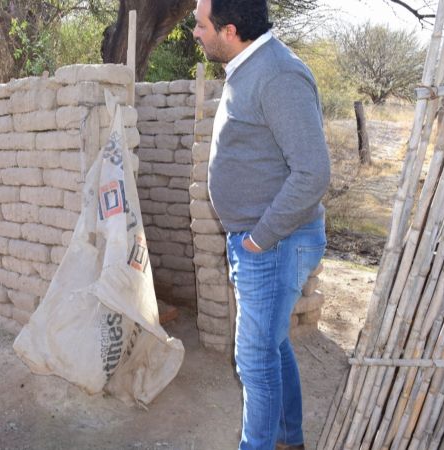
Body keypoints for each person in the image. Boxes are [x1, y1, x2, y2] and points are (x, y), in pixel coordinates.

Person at [193, 1, 331, 449]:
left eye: (201, 25)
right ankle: (291, 439)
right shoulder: (250, 66)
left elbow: (313, 173)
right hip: (263, 241)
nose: (195, 33)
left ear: (229, 30)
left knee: (254, 359)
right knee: (272, 345)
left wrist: (257, 239)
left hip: (275, 244)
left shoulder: (278, 75)